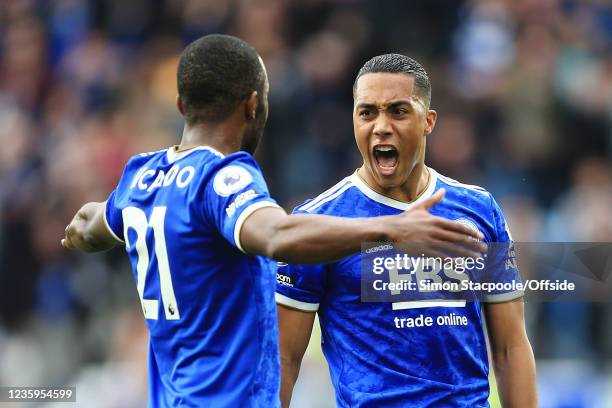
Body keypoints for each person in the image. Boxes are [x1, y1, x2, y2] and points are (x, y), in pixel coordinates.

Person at [61, 37, 484, 407]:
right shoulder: (224, 176)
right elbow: (276, 234)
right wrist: (390, 229)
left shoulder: (141, 180)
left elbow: (89, 222)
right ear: (253, 103)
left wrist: (79, 236)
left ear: (180, 106)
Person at [276, 54, 537, 407]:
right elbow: (284, 360)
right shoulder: (318, 222)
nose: (381, 126)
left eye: (398, 111)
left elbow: (510, 347)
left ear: (428, 121)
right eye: (367, 112)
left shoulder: (479, 210)